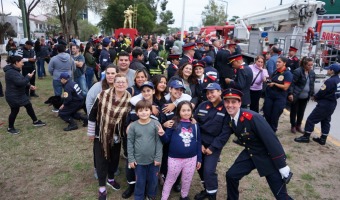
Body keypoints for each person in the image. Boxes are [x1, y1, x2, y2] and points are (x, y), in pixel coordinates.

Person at [223, 88, 293, 200]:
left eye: (233, 102)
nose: (230, 105)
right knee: (231, 175)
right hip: (251, 153)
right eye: (227, 101)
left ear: (240, 103)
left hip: (268, 156)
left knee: (280, 195)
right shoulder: (230, 117)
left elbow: (271, 141)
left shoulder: (253, 117)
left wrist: (282, 165)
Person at [88, 74, 131, 200]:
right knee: (101, 160)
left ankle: (111, 179)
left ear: (127, 84)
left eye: (123, 82)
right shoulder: (102, 95)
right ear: (114, 83)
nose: (120, 84)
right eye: (118, 82)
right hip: (101, 134)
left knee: (114, 158)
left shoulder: (129, 99)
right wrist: (91, 133)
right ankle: (102, 188)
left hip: (117, 136)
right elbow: (92, 114)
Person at [160, 101, 202, 200]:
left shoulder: (195, 125)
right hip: (174, 159)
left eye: (188, 110)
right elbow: (166, 140)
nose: (186, 113)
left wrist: (199, 158)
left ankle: (184, 196)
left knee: (187, 180)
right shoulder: (173, 123)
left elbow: (198, 142)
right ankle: (164, 197)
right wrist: (162, 134)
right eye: (183, 110)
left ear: (192, 112)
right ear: (178, 111)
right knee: (170, 179)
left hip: (191, 159)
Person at [194, 83, 229, 200]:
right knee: (200, 168)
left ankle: (212, 195)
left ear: (220, 92)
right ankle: (207, 189)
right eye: (207, 93)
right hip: (200, 143)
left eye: (212, 92)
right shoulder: (203, 105)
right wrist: (200, 144)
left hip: (214, 145)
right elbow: (195, 124)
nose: (209, 95)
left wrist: (212, 148)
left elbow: (225, 133)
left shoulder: (226, 108)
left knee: (209, 171)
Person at [86, 64, 118, 180]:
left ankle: (111, 168)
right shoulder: (98, 86)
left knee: (112, 147)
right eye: (108, 73)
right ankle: (97, 168)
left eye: (113, 73)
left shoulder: (119, 87)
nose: (110, 76)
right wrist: (94, 118)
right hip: (100, 125)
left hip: (113, 126)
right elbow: (89, 102)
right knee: (98, 149)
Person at [294, 63, 340, 145]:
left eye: (329, 69)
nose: (327, 70)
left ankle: (306, 136)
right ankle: (323, 139)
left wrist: (315, 97)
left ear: (332, 71)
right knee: (325, 120)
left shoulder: (330, 81)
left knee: (311, 119)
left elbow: (322, 91)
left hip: (325, 104)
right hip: (332, 103)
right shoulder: (338, 80)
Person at [127, 100, 163, 200]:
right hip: (138, 162)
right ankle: (139, 197)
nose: (144, 113)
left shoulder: (156, 124)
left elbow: (159, 142)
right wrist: (131, 159)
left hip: (153, 161)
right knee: (140, 181)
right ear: (136, 113)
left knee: (153, 181)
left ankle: (151, 196)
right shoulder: (133, 126)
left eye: (146, 110)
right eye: (141, 110)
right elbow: (129, 143)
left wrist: (158, 158)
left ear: (151, 111)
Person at [3, 50, 46, 134]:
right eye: (21, 62)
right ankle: (10, 128)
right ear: (16, 62)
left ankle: (35, 121)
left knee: (28, 105)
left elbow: (21, 80)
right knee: (15, 111)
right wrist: (28, 77)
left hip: (19, 94)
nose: (23, 64)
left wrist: (30, 86)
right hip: (13, 96)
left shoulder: (15, 70)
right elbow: (20, 82)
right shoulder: (11, 72)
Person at [263, 56, 293, 133]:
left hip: (279, 98)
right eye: (277, 62)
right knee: (267, 113)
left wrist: (275, 84)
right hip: (270, 96)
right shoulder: (276, 71)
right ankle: (267, 130)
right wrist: (267, 80)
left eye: (279, 62)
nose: (277, 63)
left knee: (274, 117)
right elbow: (271, 80)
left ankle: (272, 133)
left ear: (284, 63)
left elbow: (285, 87)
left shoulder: (287, 74)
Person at [288, 57, 315, 133]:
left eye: (311, 65)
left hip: (305, 97)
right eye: (309, 65)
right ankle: (293, 125)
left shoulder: (312, 73)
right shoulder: (298, 71)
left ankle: (298, 125)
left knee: (301, 112)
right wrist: (291, 94)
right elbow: (292, 83)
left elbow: (312, 84)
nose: (310, 67)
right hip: (296, 95)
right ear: (304, 64)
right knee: (294, 111)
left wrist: (312, 94)